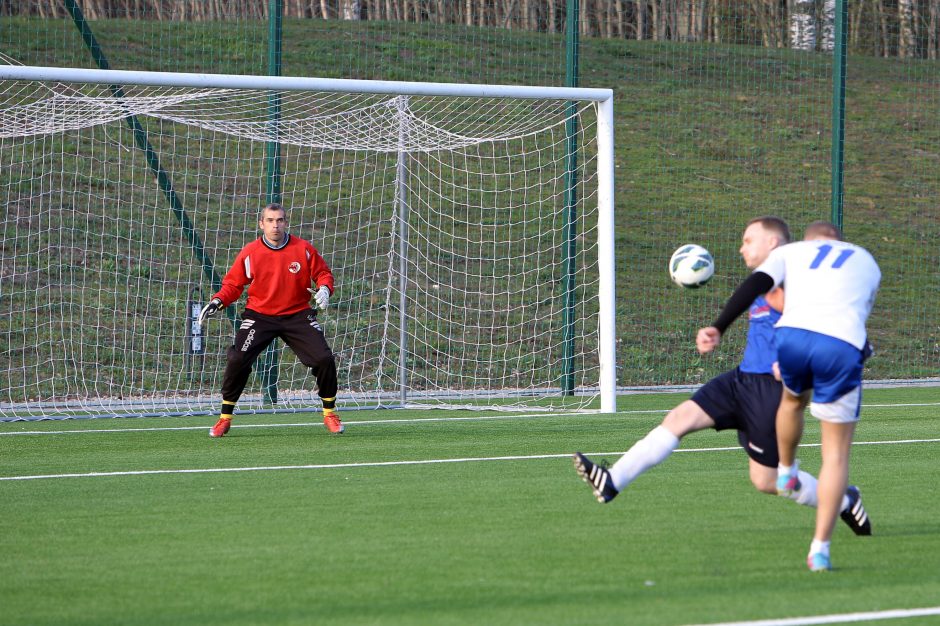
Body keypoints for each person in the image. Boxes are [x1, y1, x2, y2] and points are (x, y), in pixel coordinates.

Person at [573, 217, 871, 539]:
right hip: (741, 380)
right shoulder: (767, 278)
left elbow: (823, 331)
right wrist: (718, 328)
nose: (742, 248)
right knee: (679, 418)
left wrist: (795, 367)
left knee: (766, 481)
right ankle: (612, 481)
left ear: (772, 243)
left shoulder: (798, 280)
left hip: (771, 394)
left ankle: (843, 501)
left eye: (748, 240)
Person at [696, 220, 880, 572]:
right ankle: (820, 549)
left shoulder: (793, 253)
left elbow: (756, 284)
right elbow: (856, 313)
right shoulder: (865, 259)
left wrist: (719, 326)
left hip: (793, 339)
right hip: (840, 345)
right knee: (836, 455)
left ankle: (785, 471)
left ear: (808, 242)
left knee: (792, 400)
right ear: (840, 241)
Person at [197, 202, 344, 437]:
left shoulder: (303, 249)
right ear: (261, 224)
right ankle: (225, 418)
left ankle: (329, 413)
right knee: (238, 357)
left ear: (286, 223)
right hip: (260, 316)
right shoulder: (250, 252)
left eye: (280, 220)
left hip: (297, 314)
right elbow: (233, 284)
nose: (275, 225)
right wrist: (218, 301)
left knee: (324, 358)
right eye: (270, 221)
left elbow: (323, 274)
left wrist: (325, 288)